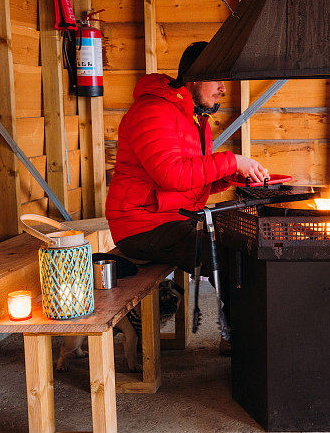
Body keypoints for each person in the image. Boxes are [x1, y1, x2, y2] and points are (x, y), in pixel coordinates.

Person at [105, 41, 268, 353]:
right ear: (195, 78)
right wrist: (231, 160)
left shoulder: (194, 118)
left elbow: (188, 180)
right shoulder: (151, 111)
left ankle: (242, 334)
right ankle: (238, 340)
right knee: (227, 254)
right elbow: (170, 174)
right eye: (218, 81)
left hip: (172, 216)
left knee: (238, 240)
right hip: (141, 225)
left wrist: (229, 177)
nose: (223, 89)